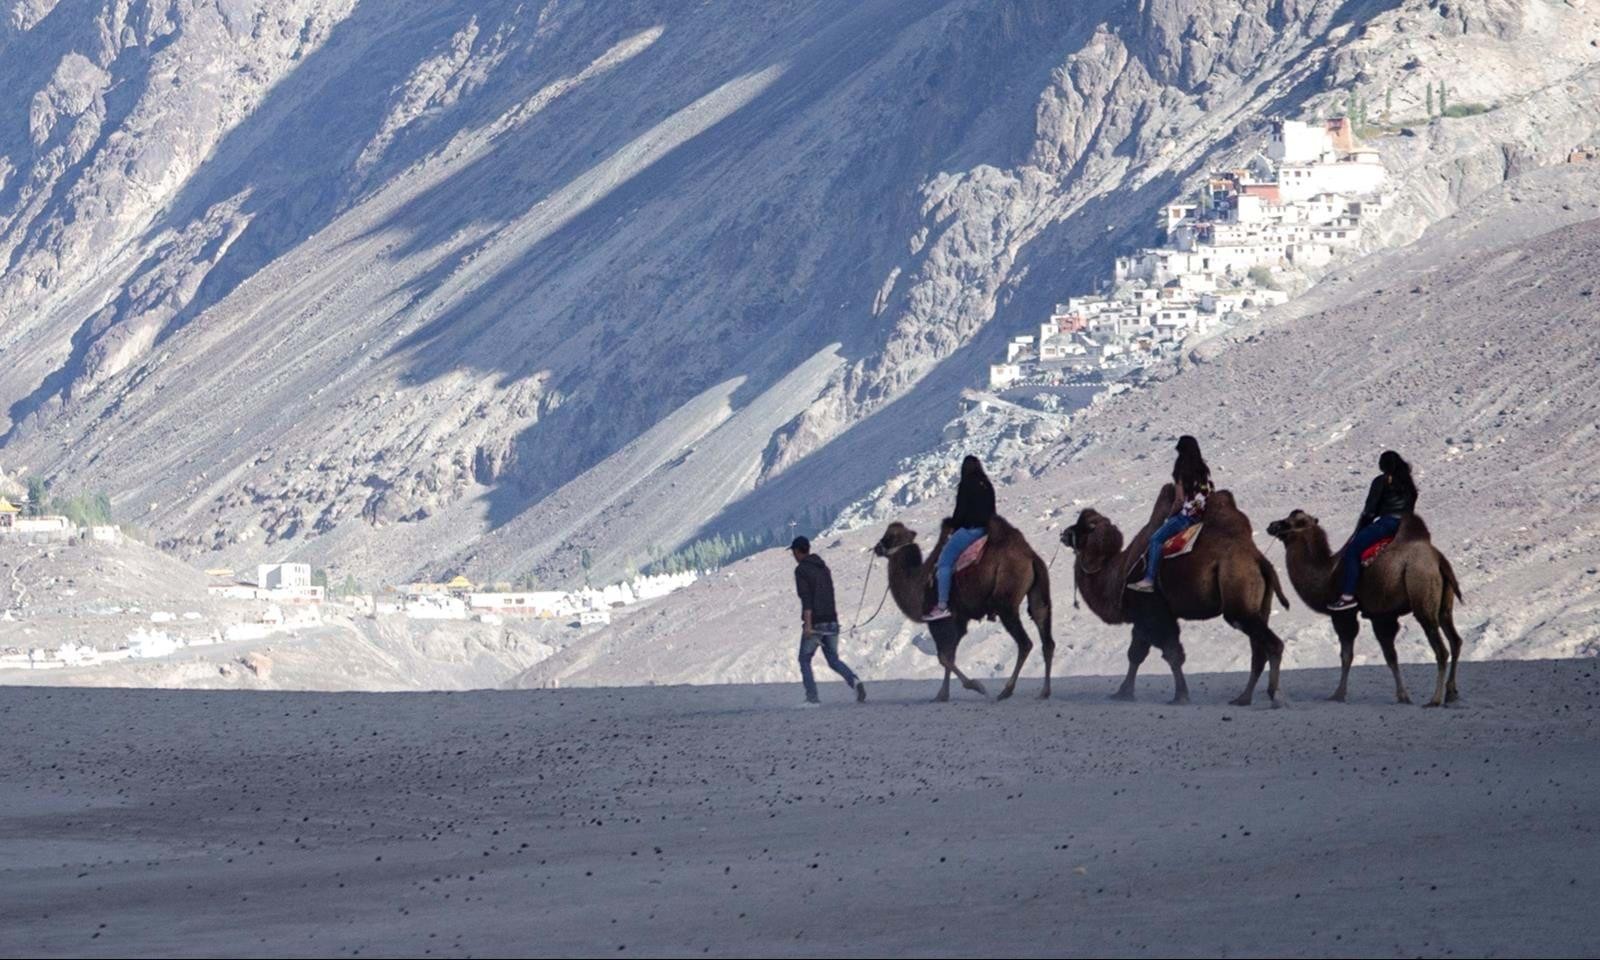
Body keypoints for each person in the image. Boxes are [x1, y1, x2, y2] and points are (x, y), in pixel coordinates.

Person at [1328, 450, 1417, 611]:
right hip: (1408, 526)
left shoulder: (1381, 481)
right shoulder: (1408, 483)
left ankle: (1347, 596)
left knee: (1353, 551)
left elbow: (1370, 509)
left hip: (1388, 523)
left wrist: (1361, 527)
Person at [1128, 435, 1212, 593]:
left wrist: (1170, 516)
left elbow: (1179, 499)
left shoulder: (1182, 470)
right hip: (1202, 516)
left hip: (1187, 517)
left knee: (1156, 539)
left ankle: (1149, 579)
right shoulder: (1203, 468)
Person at [791, 536, 866, 705]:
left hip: (816, 622)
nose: (793, 557)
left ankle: (812, 698)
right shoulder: (823, 567)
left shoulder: (801, 570)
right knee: (833, 659)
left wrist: (808, 625)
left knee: (804, 659)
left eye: (793, 553)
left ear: (797, 551)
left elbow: (807, 599)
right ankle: (855, 681)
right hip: (832, 619)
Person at [925, 455, 995, 621]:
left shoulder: (966, 485)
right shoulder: (987, 485)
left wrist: (954, 528)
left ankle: (943, 605)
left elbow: (961, 511)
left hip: (970, 531)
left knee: (944, 564)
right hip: (988, 531)